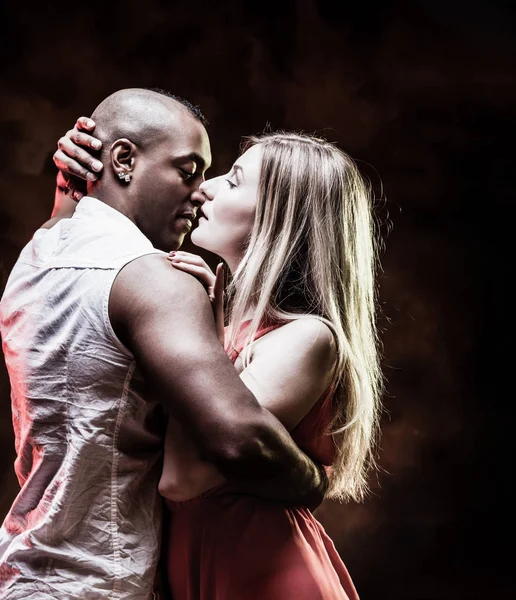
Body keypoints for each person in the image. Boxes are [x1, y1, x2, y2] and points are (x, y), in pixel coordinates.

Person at [0, 88, 328, 600]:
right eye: (189, 169)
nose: (202, 191)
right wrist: (313, 482)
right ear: (125, 159)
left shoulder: (41, 248)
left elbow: (71, 216)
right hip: (102, 582)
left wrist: (75, 182)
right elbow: (240, 438)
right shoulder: (154, 281)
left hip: (26, 572)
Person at [55, 119, 383, 599]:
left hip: (262, 575)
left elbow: (181, 479)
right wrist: (72, 192)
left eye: (232, 181)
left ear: (280, 216)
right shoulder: (218, 326)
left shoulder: (307, 339)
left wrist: (204, 330)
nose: (204, 188)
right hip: (198, 569)